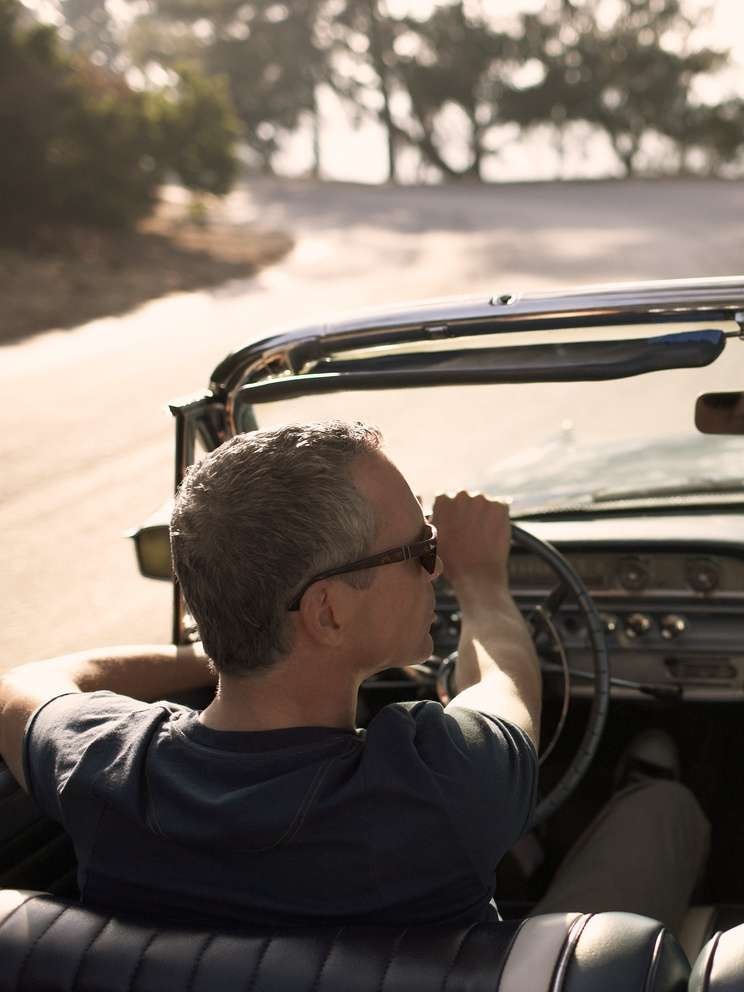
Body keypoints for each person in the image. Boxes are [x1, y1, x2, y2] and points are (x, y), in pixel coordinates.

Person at [0, 420, 707, 933]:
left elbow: (28, 680)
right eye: (420, 549)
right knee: (665, 813)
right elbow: (510, 682)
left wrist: (232, 644)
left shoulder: (104, 767)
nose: (433, 566)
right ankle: (647, 787)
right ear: (328, 613)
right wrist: (482, 578)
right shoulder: (445, 784)